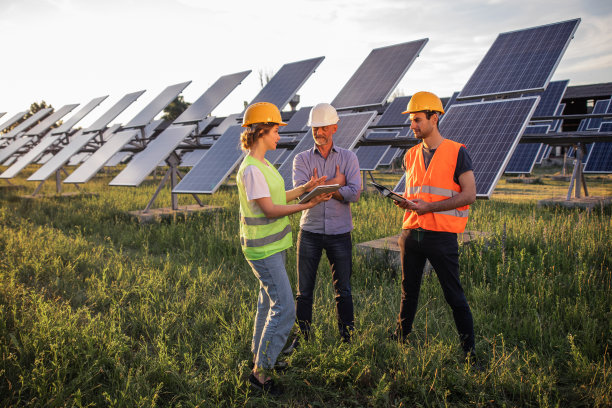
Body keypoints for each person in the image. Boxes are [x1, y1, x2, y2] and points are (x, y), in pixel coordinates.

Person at [236, 102, 332, 395]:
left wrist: (306, 188)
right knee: (286, 308)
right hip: (262, 251)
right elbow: (269, 210)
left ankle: (261, 355)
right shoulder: (252, 169)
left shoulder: (263, 164)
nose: (279, 135)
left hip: (272, 247)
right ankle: (260, 376)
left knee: (267, 304)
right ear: (262, 131)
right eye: (276, 130)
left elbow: (277, 195)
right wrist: (308, 205)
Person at [392, 91, 477, 359]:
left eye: (417, 119)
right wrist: (404, 202)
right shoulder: (410, 155)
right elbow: (416, 192)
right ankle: (400, 338)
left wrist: (429, 207)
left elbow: (469, 194)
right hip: (411, 232)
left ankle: (469, 353)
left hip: (441, 236)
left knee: (454, 296)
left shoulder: (457, 151)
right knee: (408, 291)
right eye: (411, 120)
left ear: (435, 118)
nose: (412, 125)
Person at [286, 103, 362, 350]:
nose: (318, 132)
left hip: (340, 233)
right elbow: (302, 196)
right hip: (310, 231)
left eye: (323, 127)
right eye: (315, 127)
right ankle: (303, 339)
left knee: (344, 290)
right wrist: (337, 183)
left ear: (334, 128)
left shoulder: (349, 157)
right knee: (304, 291)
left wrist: (325, 188)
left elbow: (354, 193)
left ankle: (347, 339)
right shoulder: (301, 159)